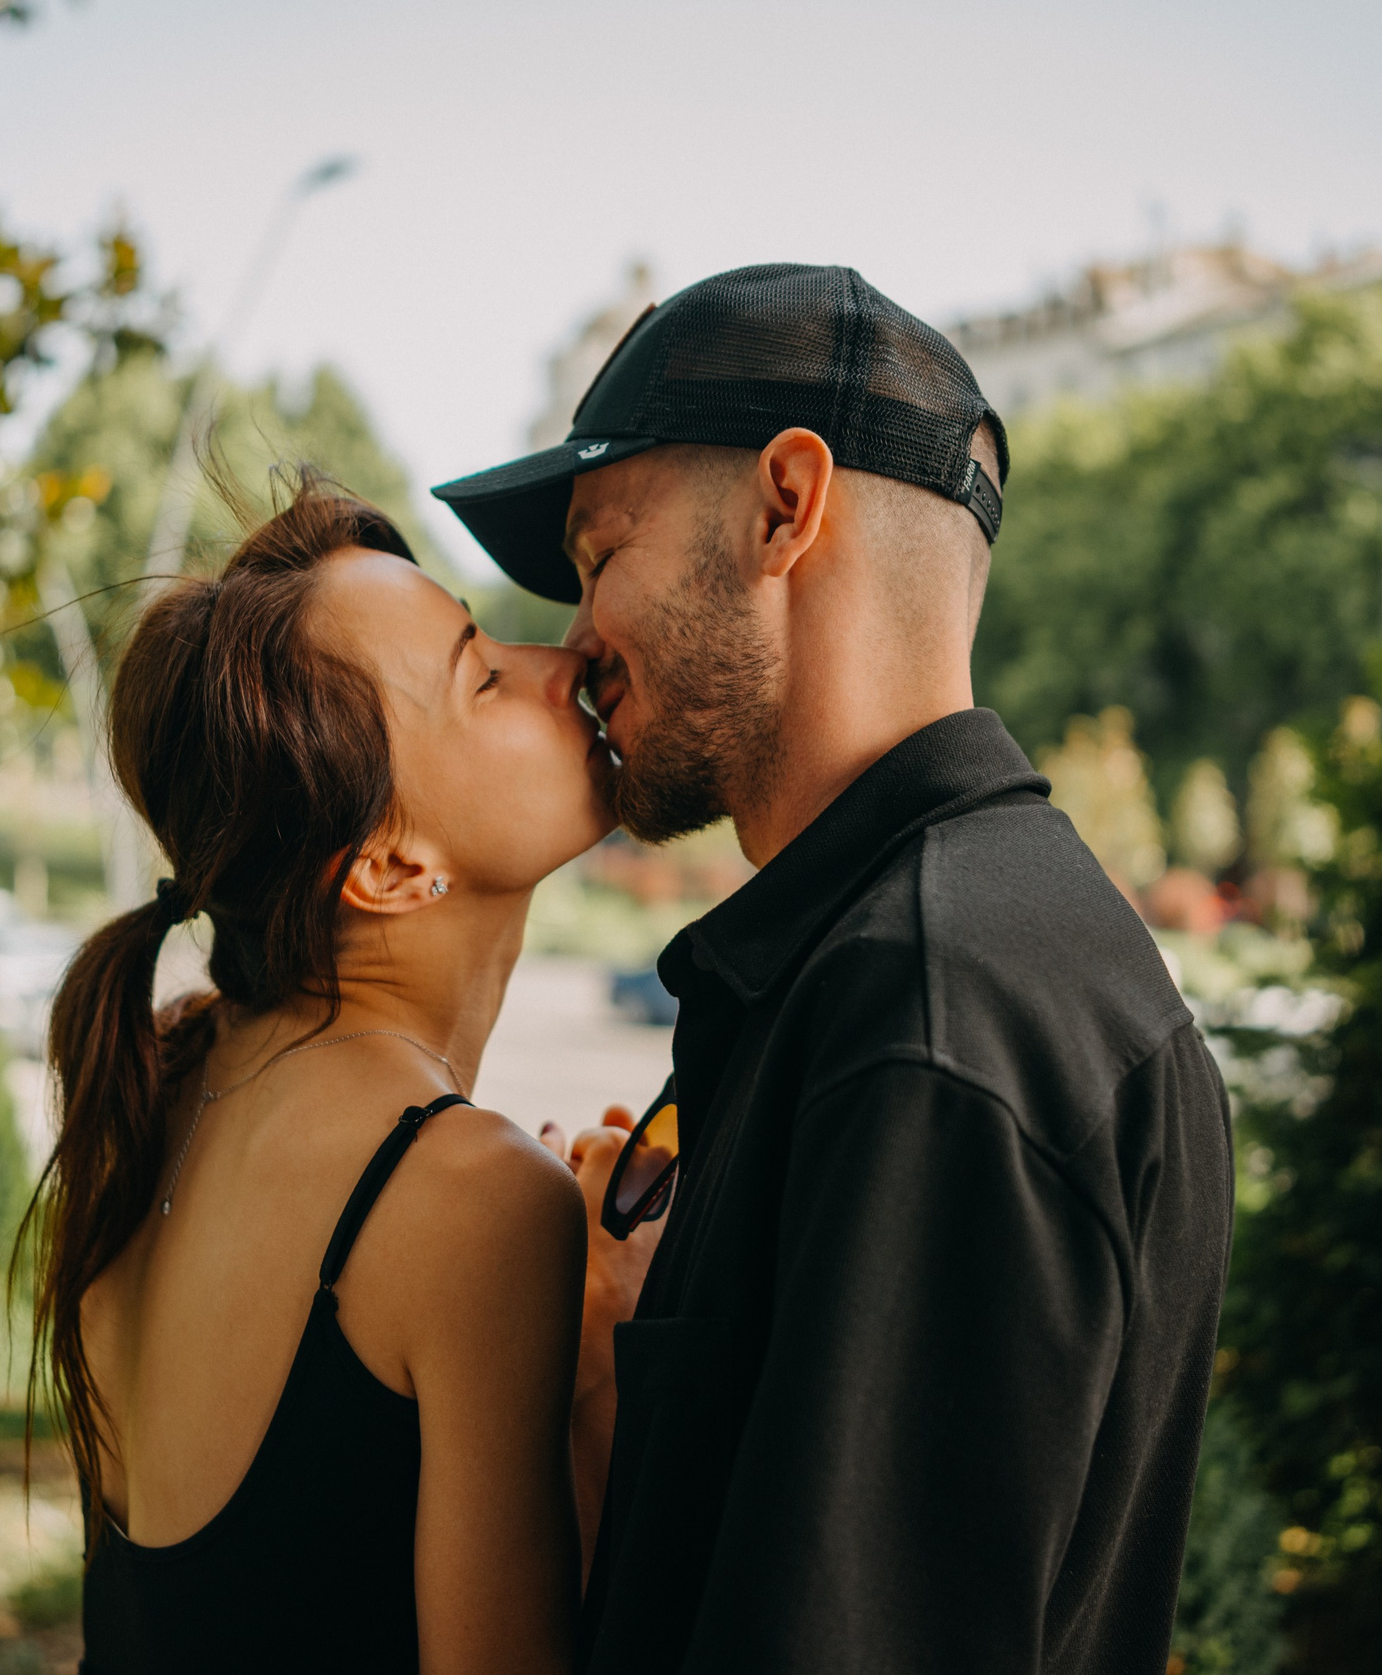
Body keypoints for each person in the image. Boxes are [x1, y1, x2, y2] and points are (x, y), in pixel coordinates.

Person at [434, 263, 1237, 1673]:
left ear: (786, 507)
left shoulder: (924, 1014)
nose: (575, 640)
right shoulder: (944, 952)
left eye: (599, 550)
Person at [24, 477, 611, 1673]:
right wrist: (598, 1364)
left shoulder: (172, 1081)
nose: (564, 662)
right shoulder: (475, 1199)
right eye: (484, 676)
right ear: (390, 866)